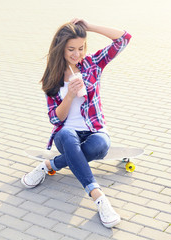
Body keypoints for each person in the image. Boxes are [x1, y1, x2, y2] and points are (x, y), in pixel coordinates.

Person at [21, 18, 131, 228]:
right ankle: (99, 197)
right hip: (67, 133)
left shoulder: (92, 64)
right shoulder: (51, 78)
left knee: (100, 145)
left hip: (93, 130)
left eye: (81, 48)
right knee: (67, 137)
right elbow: (55, 119)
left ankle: (49, 165)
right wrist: (70, 96)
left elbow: (124, 39)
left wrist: (88, 27)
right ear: (60, 48)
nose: (77, 54)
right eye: (71, 49)